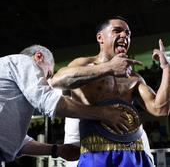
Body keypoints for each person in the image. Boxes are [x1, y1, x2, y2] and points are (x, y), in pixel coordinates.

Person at [51, 16, 170, 167]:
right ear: (100, 37)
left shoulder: (134, 77)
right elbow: (57, 81)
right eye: (117, 31)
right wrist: (109, 68)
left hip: (134, 150)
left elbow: (160, 109)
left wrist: (167, 69)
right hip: (96, 151)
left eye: (128, 33)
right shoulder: (84, 64)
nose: (124, 36)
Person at [0, 44, 128, 165]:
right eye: (48, 74)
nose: (47, 81)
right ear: (39, 57)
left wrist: (57, 150)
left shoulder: (10, 85)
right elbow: (50, 102)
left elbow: (18, 143)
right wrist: (103, 113)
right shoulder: (23, 61)